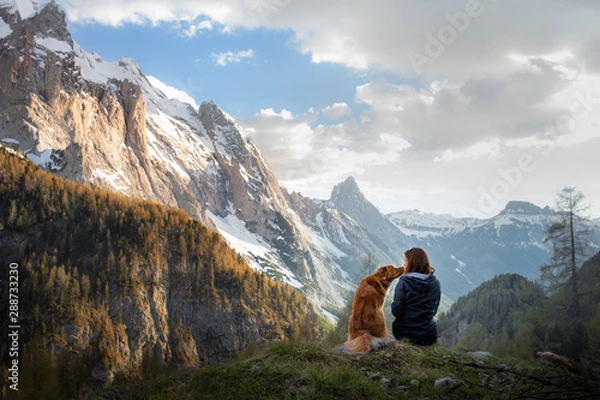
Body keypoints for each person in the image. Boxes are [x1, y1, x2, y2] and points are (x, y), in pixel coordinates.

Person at [391, 247, 441, 346]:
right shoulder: (435, 283)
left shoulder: (404, 282)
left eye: (406, 261)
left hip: (404, 333)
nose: (404, 264)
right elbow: (433, 310)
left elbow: (396, 311)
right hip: (428, 335)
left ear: (412, 263)